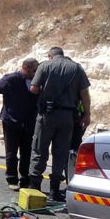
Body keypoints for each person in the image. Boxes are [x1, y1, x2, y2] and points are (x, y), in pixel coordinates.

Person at [28, 47, 91, 200]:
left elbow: (34, 88)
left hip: (47, 115)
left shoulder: (45, 66)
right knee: (61, 153)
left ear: (50, 56)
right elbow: (84, 94)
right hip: (68, 116)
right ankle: (55, 190)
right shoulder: (76, 68)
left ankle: (35, 186)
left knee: (39, 149)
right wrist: (87, 114)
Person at [0, 58, 39, 191]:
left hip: (30, 122)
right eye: (34, 70)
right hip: (11, 122)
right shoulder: (10, 79)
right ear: (25, 68)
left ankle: (25, 180)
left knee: (27, 153)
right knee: (11, 153)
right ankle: (12, 178)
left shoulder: (37, 82)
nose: (36, 73)